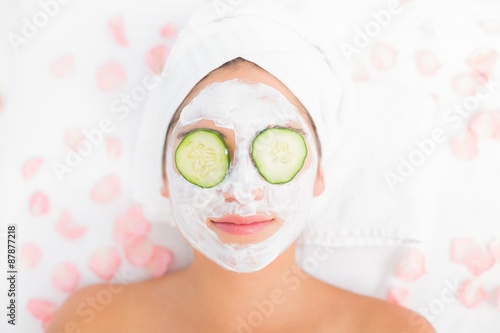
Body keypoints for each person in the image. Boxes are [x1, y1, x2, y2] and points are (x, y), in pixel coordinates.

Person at [48, 2, 436, 333]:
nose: (242, 189)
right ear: (164, 173)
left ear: (318, 173)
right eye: (206, 151)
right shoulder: (91, 323)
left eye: (277, 149)